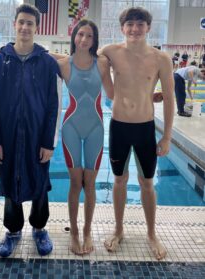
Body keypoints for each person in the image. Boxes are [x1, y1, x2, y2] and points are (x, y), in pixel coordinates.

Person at [98, 7, 174, 260]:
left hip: (145, 128)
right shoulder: (111, 52)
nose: (134, 29)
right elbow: (81, 58)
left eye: (140, 24)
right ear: (122, 28)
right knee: (119, 180)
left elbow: (171, 99)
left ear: (148, 28)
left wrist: (167, 136)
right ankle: (118, 230)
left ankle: (152, 233)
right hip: (119, 126)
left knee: (147, 183)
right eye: (129, 24)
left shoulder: (161, 58)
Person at [0, 3, 60, 258]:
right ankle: (13, 231)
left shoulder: (48, 63)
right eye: (22, 22)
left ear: (37, 28)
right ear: (14, 24)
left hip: (38, 135)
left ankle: (39, 229)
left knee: (39, 183)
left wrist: (48, 142)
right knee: (9, 180)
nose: (25, 27)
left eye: (30, 23)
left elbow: (53, 105)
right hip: (7, 136)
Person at [50, 19, 113, 255]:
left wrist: (148, 94)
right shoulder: (63, 64)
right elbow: (41, 55)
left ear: (94, 40)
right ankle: (74, 232)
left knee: (91, 184)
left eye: (89, 36)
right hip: (71, 128)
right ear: (73, 36)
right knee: (76, 183)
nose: (84, 39)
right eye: (80, 34)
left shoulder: (104, 63)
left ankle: (87, 230)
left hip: (96, 127)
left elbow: (113, 92)